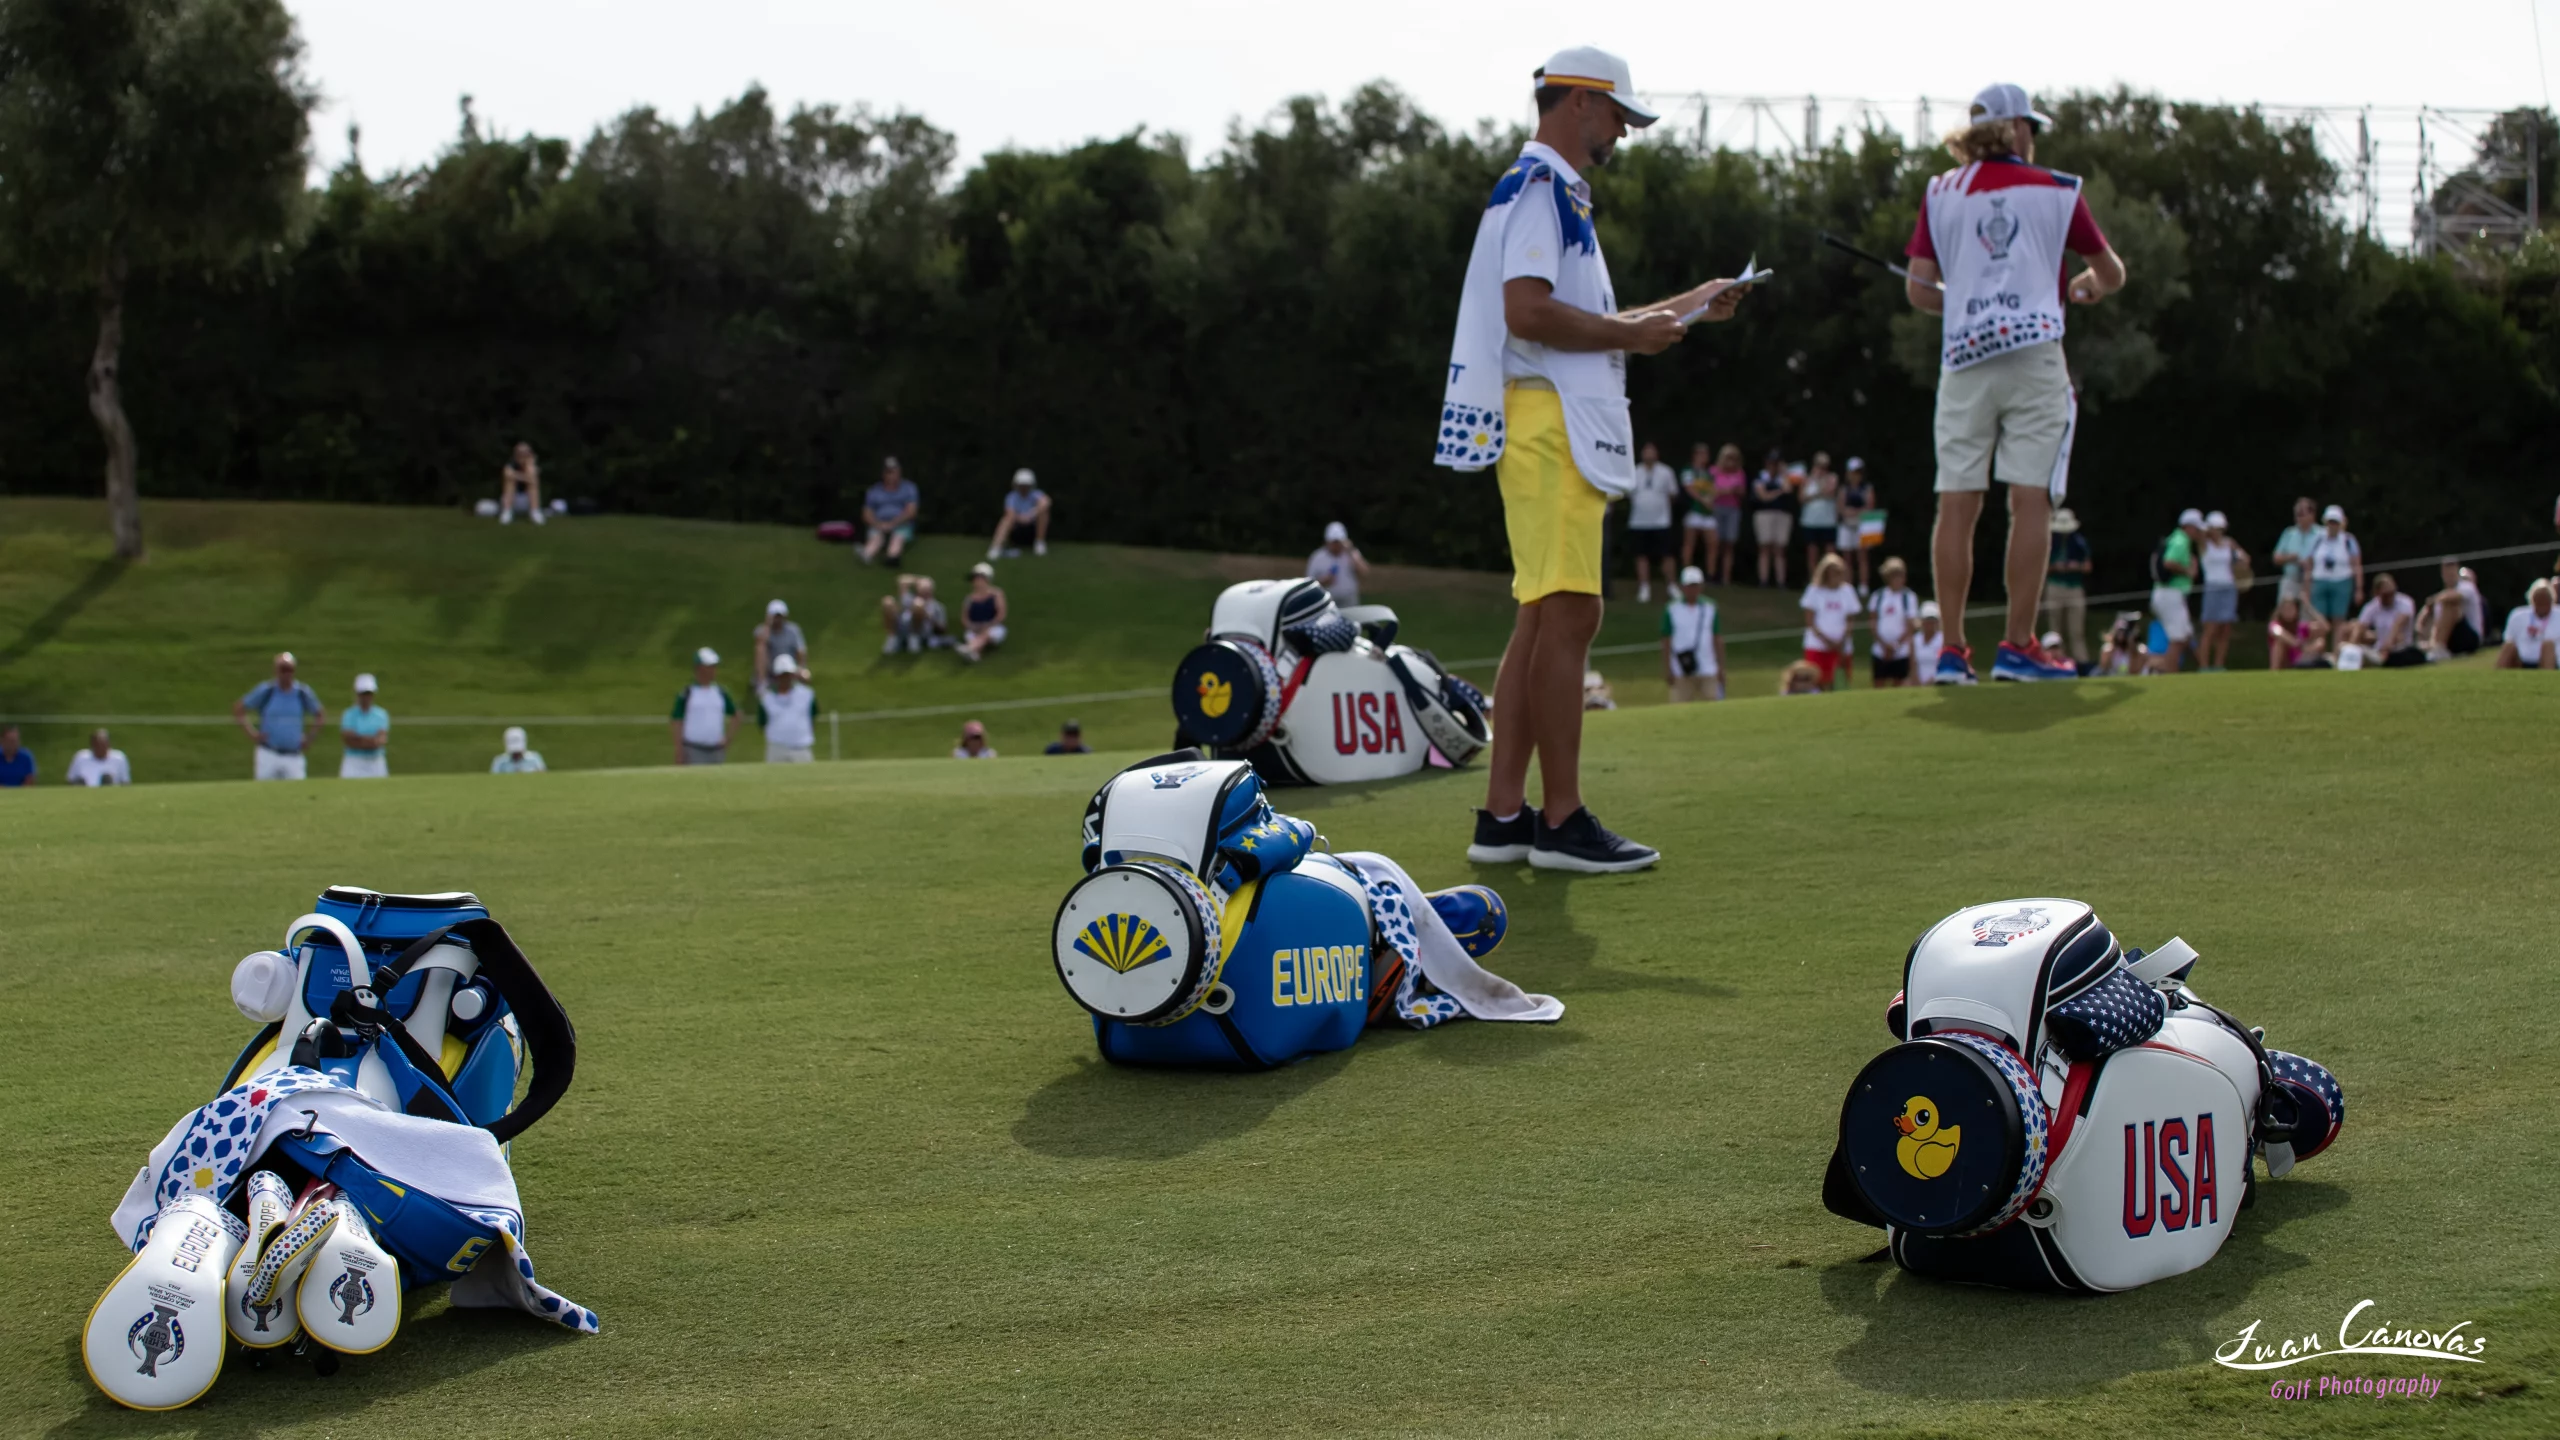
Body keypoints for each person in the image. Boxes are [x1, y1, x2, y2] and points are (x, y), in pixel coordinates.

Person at [1432, 45, 1747, 873]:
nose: (1623, 133)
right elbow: (1529, 314)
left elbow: (1569, 318)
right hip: (1547, 426)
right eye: (1618, 115)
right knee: (1570, 613)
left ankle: (1505, 818)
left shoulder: (1545, 190)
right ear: (1578, 102)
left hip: (1545, 420)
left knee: (1543, 615)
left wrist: (1691, 305)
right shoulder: (1542, 190)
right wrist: (1634, 334)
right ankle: (1562, 821)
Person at [1904, 83, 2127, 684]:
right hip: (2034, 356)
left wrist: (1966, 298)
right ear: (2018, 130)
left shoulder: (1941, 192)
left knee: (1956, 502)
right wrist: (2083, 287)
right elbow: (2111, 273)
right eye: (2032, 126)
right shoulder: (2057, 189)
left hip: (1965, 358)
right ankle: (2019, 645)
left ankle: (1951, 653)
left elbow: (1919, 290)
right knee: (2030, 499)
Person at [235, 651, 326, 781]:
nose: (287, 673)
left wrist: (309, 738)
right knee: (264, 794)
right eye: (283, 669)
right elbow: (239, 709)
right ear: (276, 671)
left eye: (289, 669)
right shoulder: (267, 691)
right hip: (268, 753)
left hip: (293, 755)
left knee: (296, 794)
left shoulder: (302, 692)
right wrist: (252, 734)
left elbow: (320, 714)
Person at [2149, 509, 2203, 674]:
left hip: (2169, 595)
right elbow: (2169, 562)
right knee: (2178, 639)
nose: (2199, 532)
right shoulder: (2181, 541)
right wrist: (2188, 571)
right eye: (2197, 528)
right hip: (2170, 594)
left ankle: (2205, 669)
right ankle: (2170, 675)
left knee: (2186, 636)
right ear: (2189, 527)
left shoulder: (2176, 538)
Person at [1660, 565, 1725, 702]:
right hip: (1680, 669)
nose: (1692, 589)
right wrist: (1668, 669)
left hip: (1708, 668)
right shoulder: (1671, 609)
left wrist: (1721, 667)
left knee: (1713, 708)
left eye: (1695, 585)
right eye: (1689, 586)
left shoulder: (1710, 607)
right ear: (1683, 587)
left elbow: (1717, 637)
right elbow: (1666, 640)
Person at [1799, 552, 1861, 691]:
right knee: (1817, 683)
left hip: (1842, 646)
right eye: (1834, 573)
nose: (1838, 576)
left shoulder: (1848, 591)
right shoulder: (1814, 590)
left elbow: (1850, 620)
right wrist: (1827, 641)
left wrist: (1841, 641)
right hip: (1817, 646)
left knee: (1840, 683)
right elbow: (1810, 621)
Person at [2196, 512, 2250, 671]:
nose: (2218, 531)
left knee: (2225, 629)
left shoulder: (2229, 543)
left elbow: (2245, 558)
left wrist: (2240, 563)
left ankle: (2219, 665)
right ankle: (2204, 666)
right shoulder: (2204, 544)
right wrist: (2207, 530)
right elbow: (2199, 533)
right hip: (2212, 587)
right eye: (2215, 528)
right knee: (2210, 629)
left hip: (2229, 587)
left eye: (2220, 528)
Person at [1626, 442, 1680, 601]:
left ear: (1657, 454)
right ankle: (1644, 588)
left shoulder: (1666, 472)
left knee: (1667, 555)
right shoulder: (1634, 471)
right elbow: (1629, 494)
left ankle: (1671, 586)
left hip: (1661, 522)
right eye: (1646, 451)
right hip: (1638, 522)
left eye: (1652, 451)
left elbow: (1673, 494)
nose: (1649, 454)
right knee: (1641, 555)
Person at [670, 647, 738, 764]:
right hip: (694, 749)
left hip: (716, 750)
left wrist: (728, 739)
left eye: (714, 667)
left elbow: (736, 715)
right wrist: (679, 750)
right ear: (699, 668)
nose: (713, 670)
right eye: (710, 667)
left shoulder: (720, 692)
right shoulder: (688, 693)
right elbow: (677, 721)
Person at [2043, 507, 2093, 664]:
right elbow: (2042, 567)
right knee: (2055, 630)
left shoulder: (2079, 542)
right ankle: (2055, 662)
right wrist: (2056, 567)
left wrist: (2074, 566)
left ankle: (2081, 664)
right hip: (2055, 587)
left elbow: (2087, 566)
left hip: (2074, 588)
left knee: (2076, 631)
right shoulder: (2049, 541)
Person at [2344, 573, 2423, 666]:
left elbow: (2397, 626)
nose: (2390, 597)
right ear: (2377, 593)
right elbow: (2360, 628)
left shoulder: (2405, 603)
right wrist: (2352, 648)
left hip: (2402, 650)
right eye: (2386, 594)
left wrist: (2387, 647)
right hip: (2380, 651)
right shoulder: (2372, 607)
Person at [1868, 557, 1921, 686]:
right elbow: (1873, 623)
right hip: (1880, 650)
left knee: (1898, 684)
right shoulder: (1878, 596)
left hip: (1901, 651)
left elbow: (1910, 625)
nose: (1898, 579)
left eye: (1901, 575)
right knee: (1879, 683)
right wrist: (1884, 646)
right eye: (1894, 576)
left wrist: (1895, 645)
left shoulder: (1909, 597)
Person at [2306, 505, 2363, 626]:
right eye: (2330, 522)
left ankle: (2337, 645)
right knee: (2317, 619)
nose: (2333, 525)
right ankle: (2319, 644)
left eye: (2335, 522)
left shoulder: (2348, 540)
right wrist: (2306, 585)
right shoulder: (2317, 538)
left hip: (2342, 581)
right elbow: (2309, 563)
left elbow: (2357, 565)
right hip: (2319, 580)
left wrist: (2359, 588)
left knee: (2339, 619)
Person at [757, 654, 819, 763]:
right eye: (782, 675)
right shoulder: (767, 698)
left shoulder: (806, 694)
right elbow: (762, 722)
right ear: (776, 676)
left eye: (788, 674)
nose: (786, 678)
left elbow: (813, 715)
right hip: (776, 749)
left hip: (801, 748)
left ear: (793, 675)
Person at [2419, 560, 2485, 660]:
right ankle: (2434, 647)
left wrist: (2433, 600)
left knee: (2451, 605)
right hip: (2452, 639)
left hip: (2470, 637)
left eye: (2451, 572)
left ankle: (2438, 647)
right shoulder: (2442, 596)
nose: (2449, 576)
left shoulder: (2467, 587)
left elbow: (2452, 597)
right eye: (2446, 573)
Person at [860, 457, 920, 566]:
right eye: (888, 472)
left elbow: (911, 512)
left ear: (899, 472)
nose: (891, 476)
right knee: (875, 539)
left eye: (894, 472)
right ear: (883, 474)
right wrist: (878, 524)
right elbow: (866, 514)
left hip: (901, 523)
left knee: (897, 538)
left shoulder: (909, 488)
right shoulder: (873, 490)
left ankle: (892, 557)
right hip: (879, 523)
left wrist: (892, 524)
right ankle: (867, 554)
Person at [1748, 451, 1794, 589]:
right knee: (1764, 547)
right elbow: (1763, 496)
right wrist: (1780, 492)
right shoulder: (1761, 477)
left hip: (1782, 515)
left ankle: (1781, 581)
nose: (1773, 466)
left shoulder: (1784, 478)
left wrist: (1784, 474)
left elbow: (1789, 489)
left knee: (1780, 548)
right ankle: (1764, 580)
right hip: (1764, 514)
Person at [990, 467, 1052, 559]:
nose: (1024, 487)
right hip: (1017, 529)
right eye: (1021, 485)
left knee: (1044, 513)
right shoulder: (1011, 496)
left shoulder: (1035, 494)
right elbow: (1010, 513)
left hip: (1032, 528)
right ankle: (996, 548)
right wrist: (1021, 518)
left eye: (1026, 485)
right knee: (1006, 519)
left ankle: (1039, 544)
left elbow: (1046, 502)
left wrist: (1031, 514)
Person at [2496, 580, 2559, 669]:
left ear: (2552, 600)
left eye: (2545, 601)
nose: (2542, 605)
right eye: (2539, 601)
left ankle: (2548, 679)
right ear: (2532, 600)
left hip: (2550, 660)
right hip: (2522, 660)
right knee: (2508, 646)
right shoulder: (2517, 615)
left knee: (2548, 646)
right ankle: (2498, 679)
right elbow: (2508, 639)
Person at [880, 574, 950, 654]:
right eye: (922, 587)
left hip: (920, 632)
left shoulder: (937, 607)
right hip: (902, 626)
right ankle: (892, 637)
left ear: (931, 590)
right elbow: (902, 581)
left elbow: (943, 628)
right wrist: (918, 580)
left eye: (927, 588)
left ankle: (913, 639)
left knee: (918, 605)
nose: (924, 590)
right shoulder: (910, 598)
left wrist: (928, 617)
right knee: (888, 602)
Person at [2271, 496, 2321, 606]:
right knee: (2283, 613)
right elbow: (2276, 557)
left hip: (2313, 582)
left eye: (2302, 513)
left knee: (2308, 617)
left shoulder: (2321, 534)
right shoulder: (2289, 533)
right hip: (2291, 580)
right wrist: (2291, 558)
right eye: (2297, 513)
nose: (2298, 516)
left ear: (2312, 514)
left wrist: (2310, 562)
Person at [1798, 451, 1841, 580]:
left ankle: (1832, 580)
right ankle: (1814, 580)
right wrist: (1817, 490)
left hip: (1828, 521)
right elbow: (1801, 498)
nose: (1822, 469)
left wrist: (1812, 494)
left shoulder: (1832, 477)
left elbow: (1829, 492)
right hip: (1810, 521)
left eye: (1824, 466)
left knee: (1830, 554)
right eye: (1819, 465)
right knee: (1812, 553)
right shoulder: (1806, 479)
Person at [339, 674, 391, 779]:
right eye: (363, 694)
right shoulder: (349, 714)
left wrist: (360, 738)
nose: (366, 697)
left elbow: (381, 740)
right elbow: (349, 740)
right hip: (354, 761)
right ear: (357, 694)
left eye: (368, 694)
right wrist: (372, 740)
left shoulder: (381, 714)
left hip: (376, 761)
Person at [1838, 457, 1878, 591]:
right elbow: (1841, 508)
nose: (1855, 475)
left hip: (1863, 526)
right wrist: (1852, 512)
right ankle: (1847, 585)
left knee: (1862, 557)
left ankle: (1863, 586)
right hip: (1847, 525)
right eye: (1853, 472)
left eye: (1858, 472)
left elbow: (1870, 507)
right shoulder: (1844, 489)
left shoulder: (1867, 488)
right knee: (1847, 557)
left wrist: (1854, 511)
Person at [1307, 522, 1369, 607]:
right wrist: (1322, 581)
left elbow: (1364, 572)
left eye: (1338, 542)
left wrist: (1351, 552)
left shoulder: (1352, 553)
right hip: (1326, 603)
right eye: (1333, 542)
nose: (1336, 545)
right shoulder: (1317, 557)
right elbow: (1309, 582)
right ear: (1327, 541)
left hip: (1349, 602)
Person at [958, 562, 1008, 663]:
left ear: (987, 579)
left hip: (994, 627)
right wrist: (971, 626)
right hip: (974, 628)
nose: (976, 582)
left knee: (987, 634)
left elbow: (1001, 614)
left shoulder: (996, 594)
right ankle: (975, 654)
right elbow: (964, 618)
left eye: (979, 579)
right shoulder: (969, 599)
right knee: (973, 635)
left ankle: (969, 648)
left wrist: (988, 625)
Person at [2266, 595, 2330, 670]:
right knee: (2279, 643)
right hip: (2284, 662)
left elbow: (2325, 627)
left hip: (2299, 660)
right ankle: (2274, 672)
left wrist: (2308, 607)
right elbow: (2278, 632)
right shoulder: (2275, 624)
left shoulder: (2300, 627)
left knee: (2320, 642)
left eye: (2291, 608)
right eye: (2285, 609)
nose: (2288, 611)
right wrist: (2299, 645)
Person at [754, 599, 808, 682]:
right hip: (771, 671)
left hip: (789, 668)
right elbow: (760, 646)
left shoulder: (793, 630)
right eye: (775, 616)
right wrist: (768, 625)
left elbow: (800, 651)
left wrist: (800, 668)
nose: (777, 619)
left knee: (806, 675)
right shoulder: (762, 631)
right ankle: (762, 682)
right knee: (761, 648)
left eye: (779, 616)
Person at [65, 728, 131, 786]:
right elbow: (71, 780)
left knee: (107, 778)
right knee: (79, 781)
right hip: (85, 793)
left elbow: (125, 782)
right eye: (98, 746)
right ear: (92, 745)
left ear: (108, 745)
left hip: (109, 795)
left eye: (103, 746)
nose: (100, 749)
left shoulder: (119, 758)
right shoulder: (81, 757)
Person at [498, 442, 544, 525]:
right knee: (510, 481)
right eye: (520, 453)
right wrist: (524, 477)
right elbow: (508, 474)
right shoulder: (510, 465)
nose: (522, 456)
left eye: (526, 453)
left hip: (527, 501)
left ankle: (535, 512)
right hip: (512, 501)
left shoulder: (532, 466)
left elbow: (533, 479)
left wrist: (529, 465)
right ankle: (507, 512)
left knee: (532, 483)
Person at [1913, 600, 1947, 682]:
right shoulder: (1915, 639)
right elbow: (1913, 665)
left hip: (1938, 680)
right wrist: (1916, 681)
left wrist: (1932, 680)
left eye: (1933, 620)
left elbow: (1943, 665)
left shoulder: (1943, 640)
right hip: (1917, 682)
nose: (1930, 623)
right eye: (1927, 620)